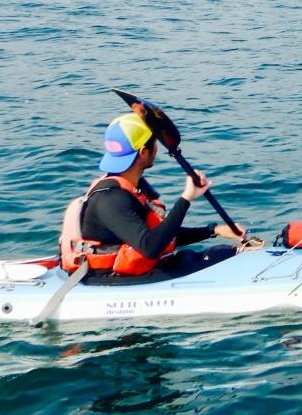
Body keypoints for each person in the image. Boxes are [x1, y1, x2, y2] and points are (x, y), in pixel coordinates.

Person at [59, 112, 246, 285]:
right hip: (106, 276)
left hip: (133, 267)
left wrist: (213, 230)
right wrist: (186, 198)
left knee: (220, 252)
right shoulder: (111, 199)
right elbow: (150, 247)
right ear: (142, 152)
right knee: (215, 260)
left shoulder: (132, 187)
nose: (157, 148)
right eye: (154, 143)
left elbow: (158, 236)